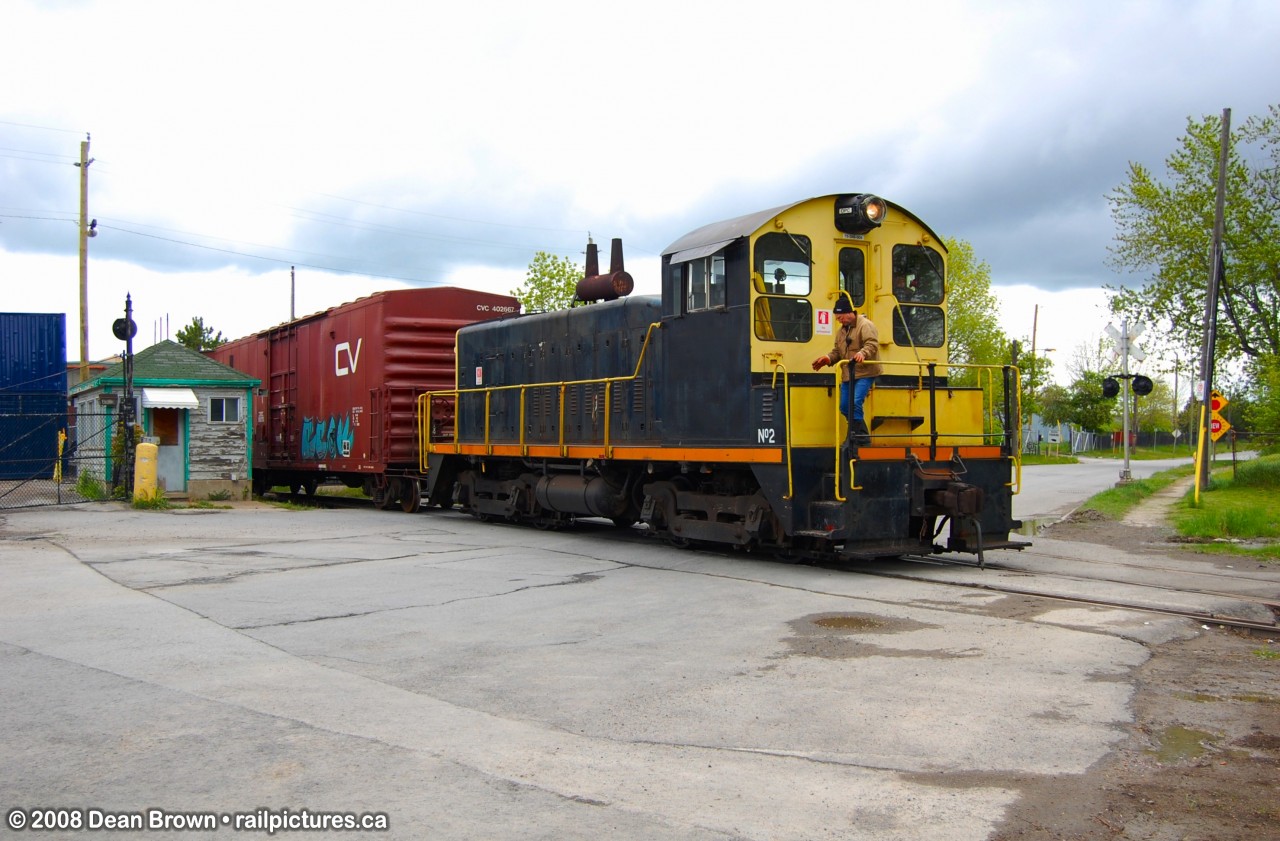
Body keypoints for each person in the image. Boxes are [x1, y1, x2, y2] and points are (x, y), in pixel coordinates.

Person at [811, 296, 881, 447]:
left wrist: (863, 353)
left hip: (865, 372)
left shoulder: (866, 325)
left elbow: (872, 344)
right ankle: (856, 435)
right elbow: (837, 351)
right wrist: (828, 359)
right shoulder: (841, 332)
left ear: (850, 313)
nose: (839, 320)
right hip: (848, 374)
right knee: (844, 406)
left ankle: (859, 438)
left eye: (840, 317)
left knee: (855, 403)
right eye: (837, 318)